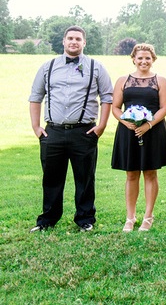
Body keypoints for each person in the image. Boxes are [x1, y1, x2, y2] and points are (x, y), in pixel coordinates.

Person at [28, 25, 113, 232]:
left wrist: (101, 126)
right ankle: (47, 220)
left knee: (85, 178)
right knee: (51, 178)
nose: (74, 42)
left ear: (84, 43)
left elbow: (108, 97)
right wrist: (36, 127)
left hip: (84, 132)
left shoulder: (96, 67)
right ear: (63, 42)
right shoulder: (47, 67)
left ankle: (85, 219)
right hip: (53, 132)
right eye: (70, 38)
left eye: (78, 39)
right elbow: (35, 97)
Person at [111, 43, 166, 232]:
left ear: (153, 59)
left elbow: (164, 108)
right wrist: (125, 121)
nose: (144, 61)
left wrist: (148, 125)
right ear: (133, 59)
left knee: (150, 173)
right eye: (140, 58)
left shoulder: (160, 81)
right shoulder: (123, 80)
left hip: (153, 131)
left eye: (147, 58)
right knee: (131, 174)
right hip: (128, 131)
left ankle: (148, 216)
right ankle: (130, 217)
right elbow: (115, 107)